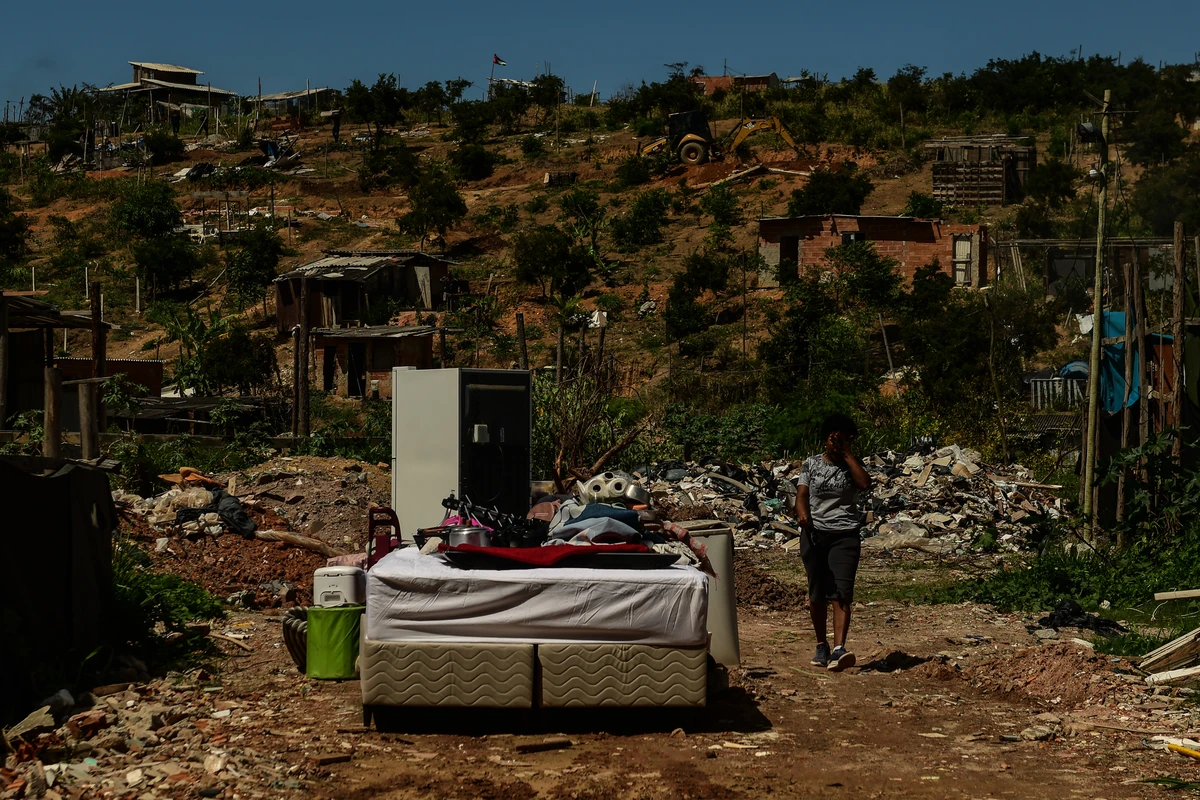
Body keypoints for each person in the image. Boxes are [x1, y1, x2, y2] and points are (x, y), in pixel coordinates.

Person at [795, 413, 872, 672]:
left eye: (840, 439)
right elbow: (802, 494)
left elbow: (864, 484)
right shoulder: (811, 464)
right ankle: (821, 645)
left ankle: (840, 649)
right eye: (831, 439)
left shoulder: (853, 465)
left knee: (841, 592)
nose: (834, 444)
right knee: (817, 594)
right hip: (815, 534)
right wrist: (803, 514)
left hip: (845, 535)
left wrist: (848, 455)